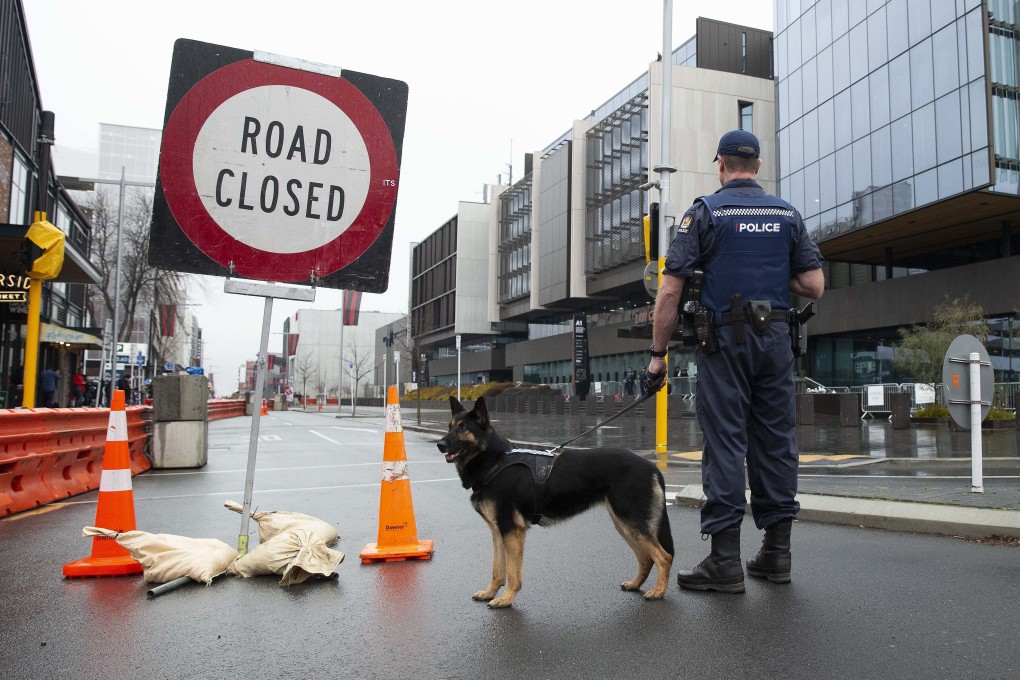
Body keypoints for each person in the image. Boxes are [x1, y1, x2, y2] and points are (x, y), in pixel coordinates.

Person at [645, 130, 824, 593]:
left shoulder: (704, 213)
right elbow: (814, 284)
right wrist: (769, 271)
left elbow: (670, 289)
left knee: (725, 442)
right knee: (777, 440)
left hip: (725, 341)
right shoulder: (787, 214)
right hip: (777, 340)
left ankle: (725, 561)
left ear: (721, 165)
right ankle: (777, 555)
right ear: (758, 166)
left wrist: (656, 357)